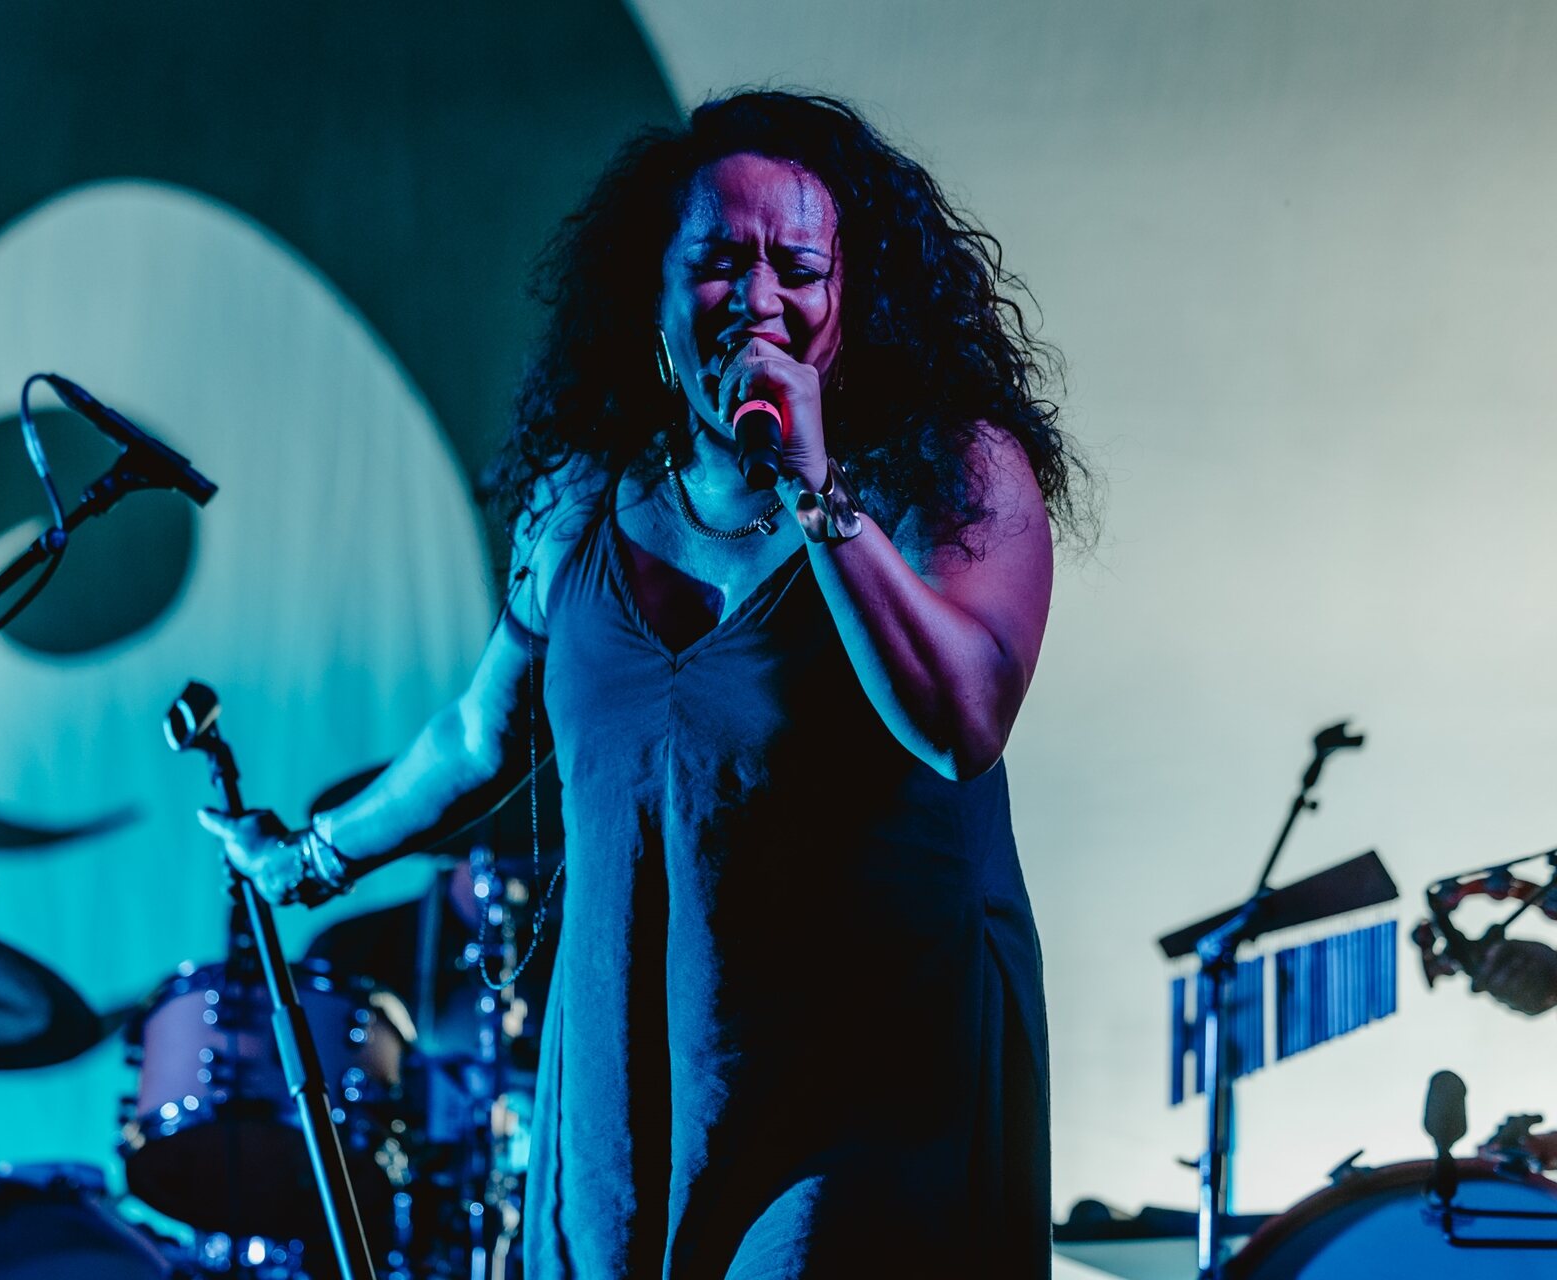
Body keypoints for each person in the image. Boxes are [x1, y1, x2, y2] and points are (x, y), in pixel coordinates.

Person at [202, 90, 1088, 1278]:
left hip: (863, 1089)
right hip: (629, 1095)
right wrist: (307, 857)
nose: (760, 298)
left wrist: (815, 484)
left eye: (799, 268)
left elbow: (961, 720)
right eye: (720, 263)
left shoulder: (948, 471)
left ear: (855, 295)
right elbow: (478, 738)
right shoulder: (581, 504)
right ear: (654, 297)